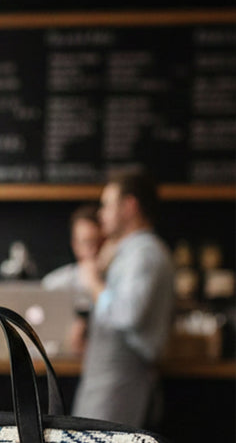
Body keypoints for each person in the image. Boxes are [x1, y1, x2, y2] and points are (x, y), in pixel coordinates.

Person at [72, 168, 175, 428]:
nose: (101, 213)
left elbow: (127, 314)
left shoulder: (145, 253)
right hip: (107, 384)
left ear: (129, 206)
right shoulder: (127, 253)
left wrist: (95, 283)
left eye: (107, 205)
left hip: (120, 386)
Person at [43, 204, 105, 353]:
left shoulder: (117, 284)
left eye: (98, 242)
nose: (93, 250)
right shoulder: (54, 284)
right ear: (75, 245)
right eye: (86, 242)